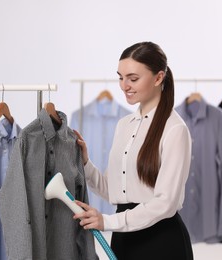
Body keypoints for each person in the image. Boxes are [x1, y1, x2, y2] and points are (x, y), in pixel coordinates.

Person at [73, 42, 194, 260]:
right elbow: (114, 192)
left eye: (133, 78)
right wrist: (85, 164)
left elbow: (165, 203)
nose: (124, 85)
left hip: (161, 242)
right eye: (120, 77)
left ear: (158, 78)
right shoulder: (124, 125)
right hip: (124, 240)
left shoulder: (175, 129)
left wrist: (107, 222)